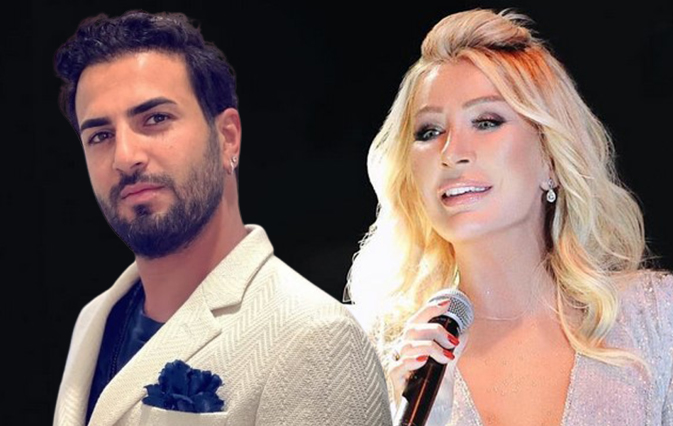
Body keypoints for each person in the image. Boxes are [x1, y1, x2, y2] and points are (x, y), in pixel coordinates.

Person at [52, 10, 391, 426]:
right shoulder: (95, 319)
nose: (125, 156)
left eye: (155, 119)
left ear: (227, 137)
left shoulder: (314, 336)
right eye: (100, 136)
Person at [345, 8, 672, 426]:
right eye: (429, 131)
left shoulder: (655, 319)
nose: (452, 153)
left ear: (551, 157)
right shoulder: (372, 354)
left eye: (486, 122)